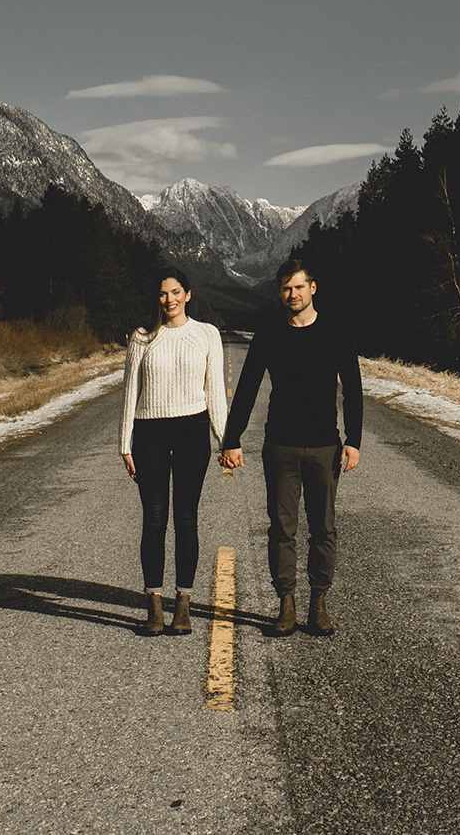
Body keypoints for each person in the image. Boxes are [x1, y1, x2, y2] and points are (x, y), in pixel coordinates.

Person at [218, 257, 362, 637]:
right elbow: (247, 388)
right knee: (282, 530)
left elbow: (353, 390)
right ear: (280, 292)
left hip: (324, 448)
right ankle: (286, 604)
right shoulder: (270, 333)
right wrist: (231, 439)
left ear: (312, 288)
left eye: (298, 287)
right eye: (285, 288)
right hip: (279, 446)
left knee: (323, 529)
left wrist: (355, 441)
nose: (292, 294)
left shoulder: (335, 331)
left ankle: (318, 603)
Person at [119, 267, 228, 636]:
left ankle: (183, 603)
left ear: (189, 294)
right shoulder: (141, 337)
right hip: (148, 433)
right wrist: (125, 444)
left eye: (176, 292)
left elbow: (215, 392)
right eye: (164, 294)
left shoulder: (206, 334)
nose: (170, 300)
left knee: (185, 518)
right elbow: (129, 392)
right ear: (157, 298)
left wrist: (225, 439)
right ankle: (154, 605)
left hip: (192, 432)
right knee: (153, 519)